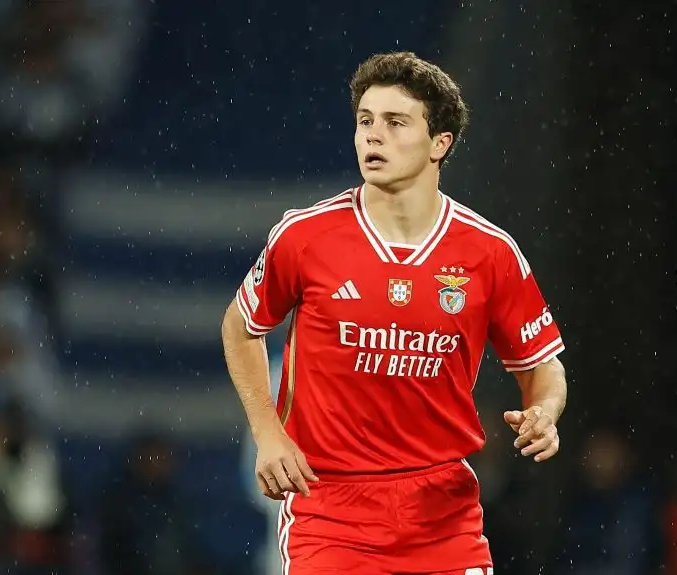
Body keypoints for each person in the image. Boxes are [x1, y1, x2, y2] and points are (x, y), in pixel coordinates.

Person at [221, 51, 567, 575]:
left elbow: (542, 368)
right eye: (364, 121)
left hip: (443, 511)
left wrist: (544, 412)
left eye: (395, 122)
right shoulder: (305, 237)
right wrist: (269, 433)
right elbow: (239, 328)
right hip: (331, 509)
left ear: (440, 144)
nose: (371, 136)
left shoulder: (489, 253)